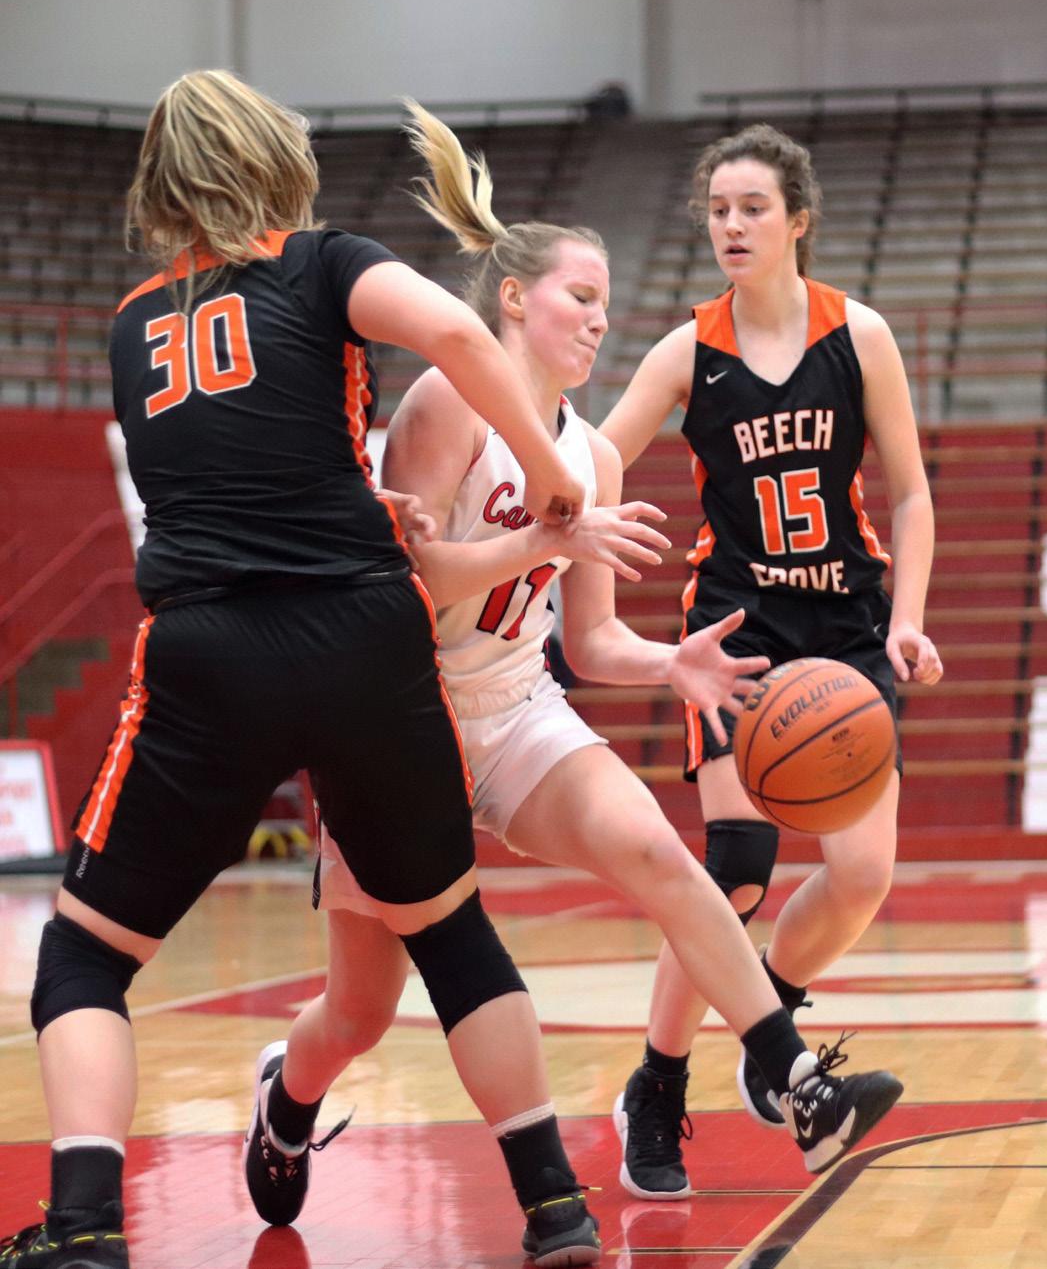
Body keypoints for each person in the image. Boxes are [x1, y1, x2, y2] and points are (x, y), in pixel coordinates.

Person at [244, 102, 907, 1244]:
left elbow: (589, 643)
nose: (601, 319)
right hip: (396, 718)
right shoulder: (447, 403)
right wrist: (543, 540)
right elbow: (407, 583)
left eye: (606, 302)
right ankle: (288, 1095)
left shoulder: (593, 453)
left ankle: (795, 1080)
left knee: (665, 856)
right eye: (580, 297)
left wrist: (672, 662)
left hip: (513, 707)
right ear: (513, 298)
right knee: (359, 1009)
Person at [0, 70, 607, 1269]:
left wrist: (352, 498)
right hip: (360, 635)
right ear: (278, 158)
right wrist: (548, 469)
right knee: (451, 933)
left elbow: (226, 472)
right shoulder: (324, 262)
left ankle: (84, 1227)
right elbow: (450, 332)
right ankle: (554, 1205)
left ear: (163, 184)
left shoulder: (132, 323)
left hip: (211, 651)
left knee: (85, 956)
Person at [599, 121, 943, 1195]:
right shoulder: (687, 350)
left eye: (752, 208)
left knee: (861, 874)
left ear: (797, 220)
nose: (731, 225)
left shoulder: (858, 334)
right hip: (736, 634)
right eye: (717, 210)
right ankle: (656, 1086)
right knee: (737, 870)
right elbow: (598, 454)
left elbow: (910, 494)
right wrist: (550, 496)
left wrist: (907, 620)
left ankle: (770, 1032)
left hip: (846, 629)